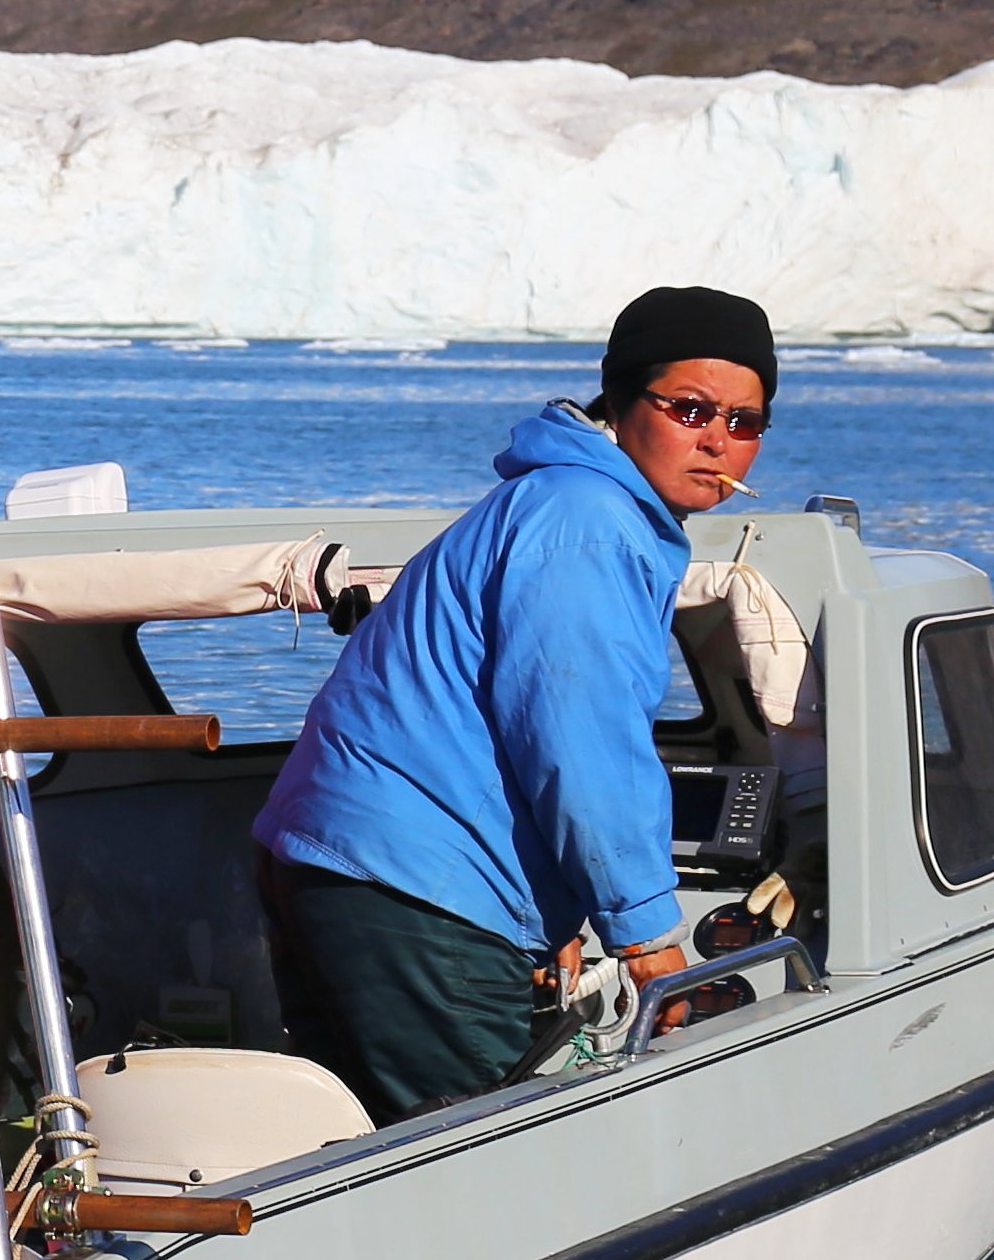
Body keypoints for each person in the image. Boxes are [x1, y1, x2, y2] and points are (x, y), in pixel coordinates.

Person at [251, 285, 774, 1122]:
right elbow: (579, 742)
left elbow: (514, 726)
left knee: (357, 1151)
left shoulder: (566, 503)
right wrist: (645, 938)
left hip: (351, 872)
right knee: (466, 1166)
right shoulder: (589, 522)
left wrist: (558, 912)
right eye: (689, 408)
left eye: (744, 422)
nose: (716, 439)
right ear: (625, 398)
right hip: (421, 892)